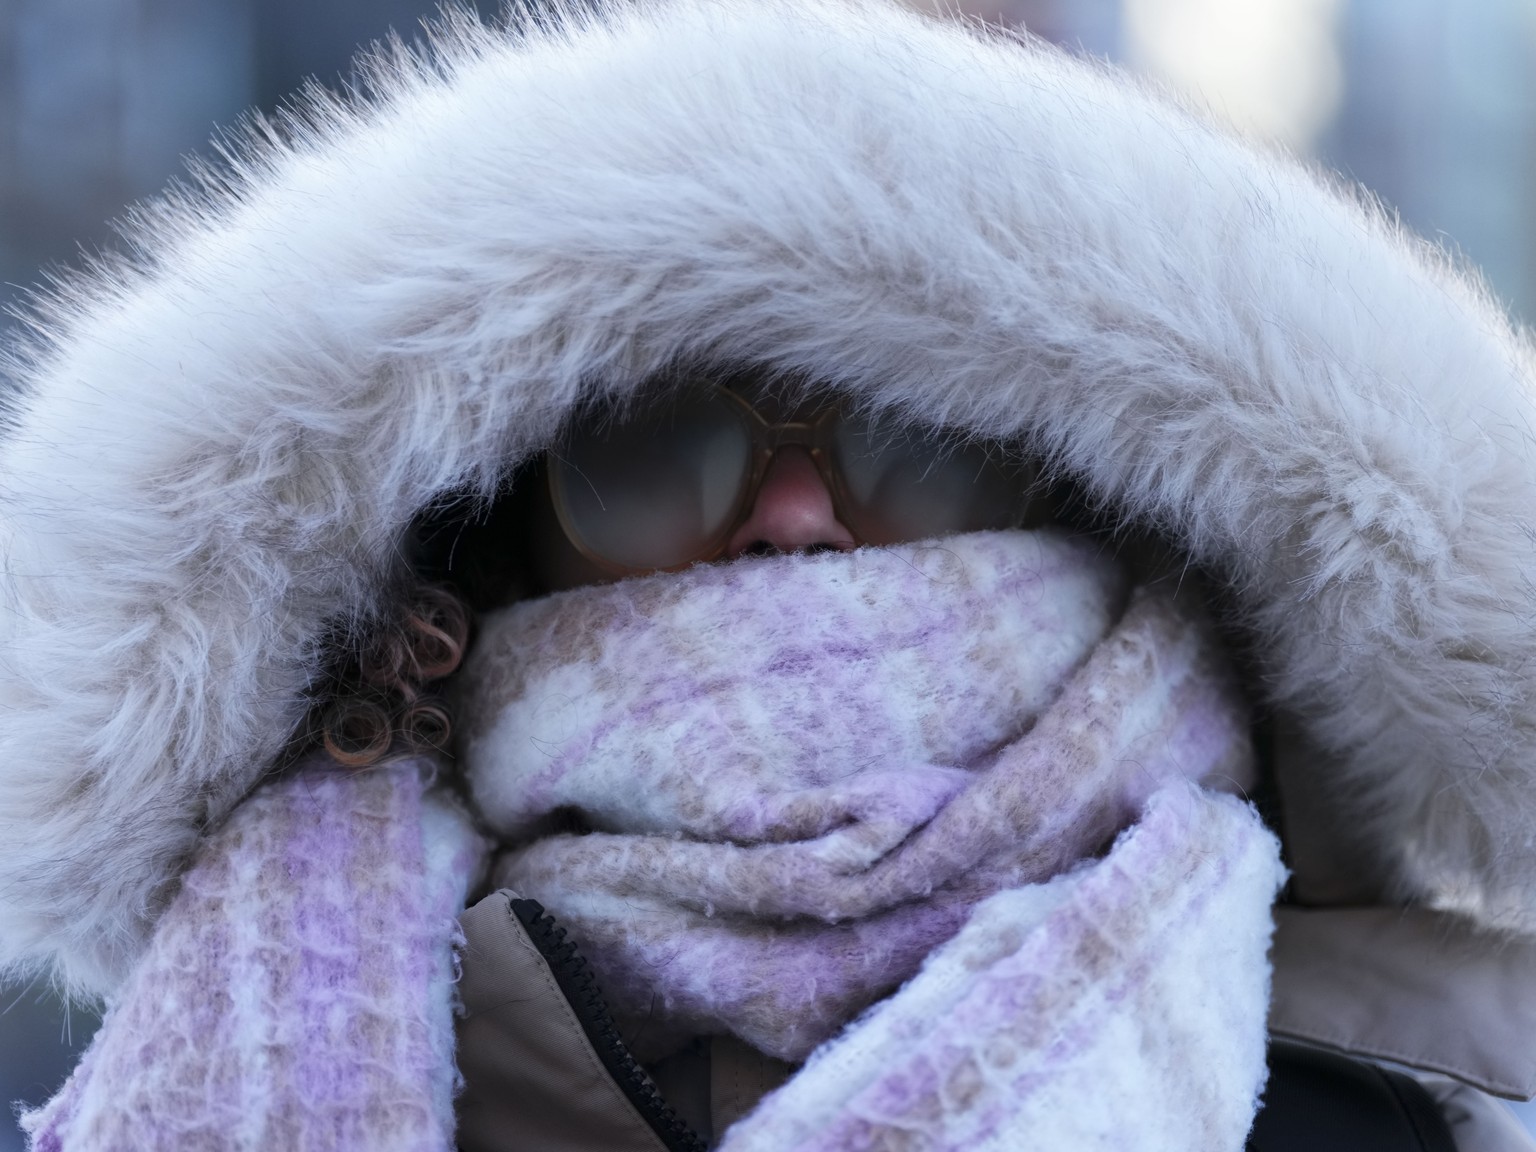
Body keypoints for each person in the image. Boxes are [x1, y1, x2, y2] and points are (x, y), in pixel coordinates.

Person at [3, 3, 1536, 1150]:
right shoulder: (282, 1048)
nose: (796, 518)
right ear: (477, 572)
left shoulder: (1453, 1087)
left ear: (1112, 510)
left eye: (916, 439)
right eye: (651, 450)